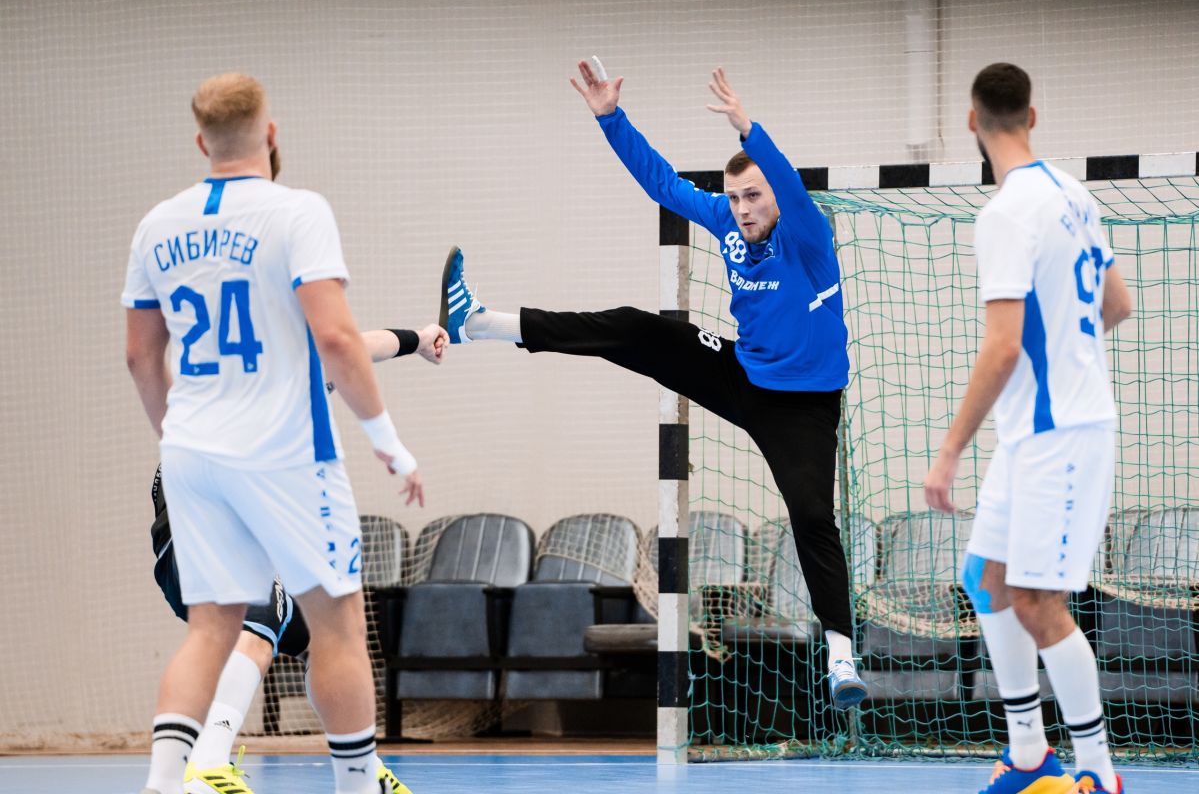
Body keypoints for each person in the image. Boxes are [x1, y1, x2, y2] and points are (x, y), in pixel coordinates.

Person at [439, 61, 866, 707]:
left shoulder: (807, 238)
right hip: (741, 373)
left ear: (777, 198)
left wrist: (748, 129)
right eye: (734, 197)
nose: (742, 208)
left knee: (810, 515)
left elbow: (784, 179)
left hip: (803, 408)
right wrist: (611, 118)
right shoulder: (726, 223)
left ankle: (839, 655)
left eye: (754, 196)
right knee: (634, 328)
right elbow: (662, 183)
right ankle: (479, 324)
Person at [123, 72, 424, 794]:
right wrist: (388, 441)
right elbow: (338, 341)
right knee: (337, 624)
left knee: (211, 626)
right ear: (271, 131)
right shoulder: (297, 212)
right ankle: (357, 785)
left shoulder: (156, 224)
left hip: (190, 451)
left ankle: (162, 784)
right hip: (284, 452)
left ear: (201, 142)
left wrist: (175, 436)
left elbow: (139, 356)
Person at [924, 62, 1132, 794]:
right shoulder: (1074, 193)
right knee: (985, 578)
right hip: (1035, 433)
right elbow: (1117, 304)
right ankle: (1027, 757)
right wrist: (1069, 350)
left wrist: (948, 452)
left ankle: (1097, 773)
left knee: (1039, 603)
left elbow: (1003, 347)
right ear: (1032, 117)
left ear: (971, 121)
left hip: (1062, 435)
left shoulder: (1005, 213)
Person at [151, 325, 445, 794]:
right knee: (262, 615)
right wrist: (391, 444)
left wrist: (418, 338)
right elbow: (346, 345)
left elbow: (358, 345)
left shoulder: (278, 380)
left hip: (196, 550)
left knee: (327, 638)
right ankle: (205, 765)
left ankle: (362, 767)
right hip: (201, 539)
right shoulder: (242, 397)